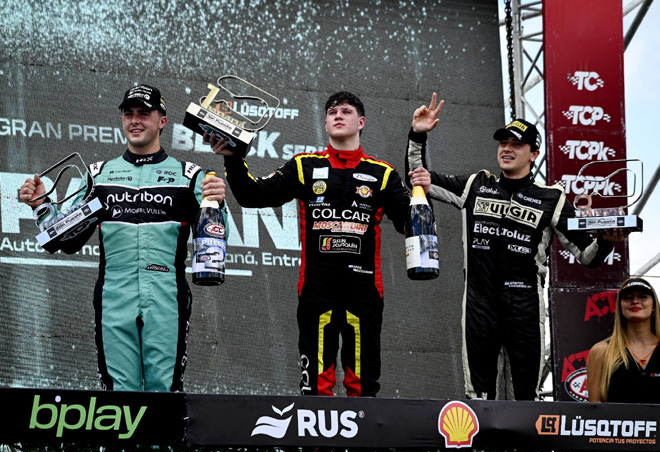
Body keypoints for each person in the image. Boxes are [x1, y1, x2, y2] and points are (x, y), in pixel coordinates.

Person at [405, 93, 629, 400]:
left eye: (517, 144)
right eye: (503, 143)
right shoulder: (476, 185)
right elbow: (417, 178)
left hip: (525, 306)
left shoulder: (552, 198)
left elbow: (587, 256)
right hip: (479, 304)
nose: (507, 149)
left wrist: (606, 240)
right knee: (478, 396)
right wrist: (417, 135)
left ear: (534, 153)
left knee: (525, 398)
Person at [207, 91, 429, 396]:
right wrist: (232, 159)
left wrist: (420, 183)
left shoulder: (382, 173)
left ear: (361, 122)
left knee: (363, 388)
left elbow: (412, 224)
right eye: (332, 112)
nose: (338, 115)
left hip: (364, 293)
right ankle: (317, 431)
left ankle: (361, 430)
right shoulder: (304, 166)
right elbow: (252, 195)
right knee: (315, 388)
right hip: (317, 291)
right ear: (325, 123)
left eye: (346, 111)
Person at [19, 84, 228, 392]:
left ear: (162, 121)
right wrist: (41, 206)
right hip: (114, 297)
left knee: (164, 391)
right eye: (128, 114)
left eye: (144, 114)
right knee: (119, 394)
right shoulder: (99, 175)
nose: (135, 120)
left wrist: (217, 201)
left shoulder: (190, 176)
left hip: (166, 297)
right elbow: (66, 241)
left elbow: (216, 238)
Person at [587, 278, 660, 403]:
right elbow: (594, 409)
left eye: (642, 297)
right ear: (620, 307)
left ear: (654, 306)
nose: (635, 301)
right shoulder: (602, 351)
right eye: (627, 298)